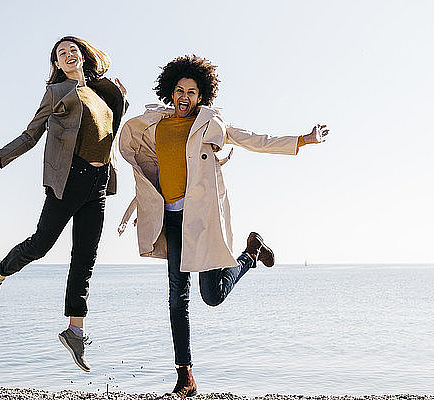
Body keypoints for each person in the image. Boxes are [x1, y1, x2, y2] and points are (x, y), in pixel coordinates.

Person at [118, 55, 329, 396]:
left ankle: (250, 253)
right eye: (179, 90)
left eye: (192, 91)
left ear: (201, 96)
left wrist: (302, 139)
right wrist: (149, 205)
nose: (184, 96)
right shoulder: (154, 124)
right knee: (177, 298)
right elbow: (148, 169)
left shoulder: (211, 124)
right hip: (171, 219)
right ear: (170, 92)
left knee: (212, 296)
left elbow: (254, 139)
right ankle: (185, 377)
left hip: (201, 219)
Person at [0, 36, 127, 372]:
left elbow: (108, 131)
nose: (68, 55)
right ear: (56, 63)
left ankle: (75, 331)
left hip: (98, 182)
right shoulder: (56, 93)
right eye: (61, 53)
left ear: (83, 55)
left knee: (85, 258)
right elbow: (30, 134)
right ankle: (2, 269)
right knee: (41, 244)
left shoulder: (105, 90)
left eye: (72, 50)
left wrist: (123, 99)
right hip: (68, 178)